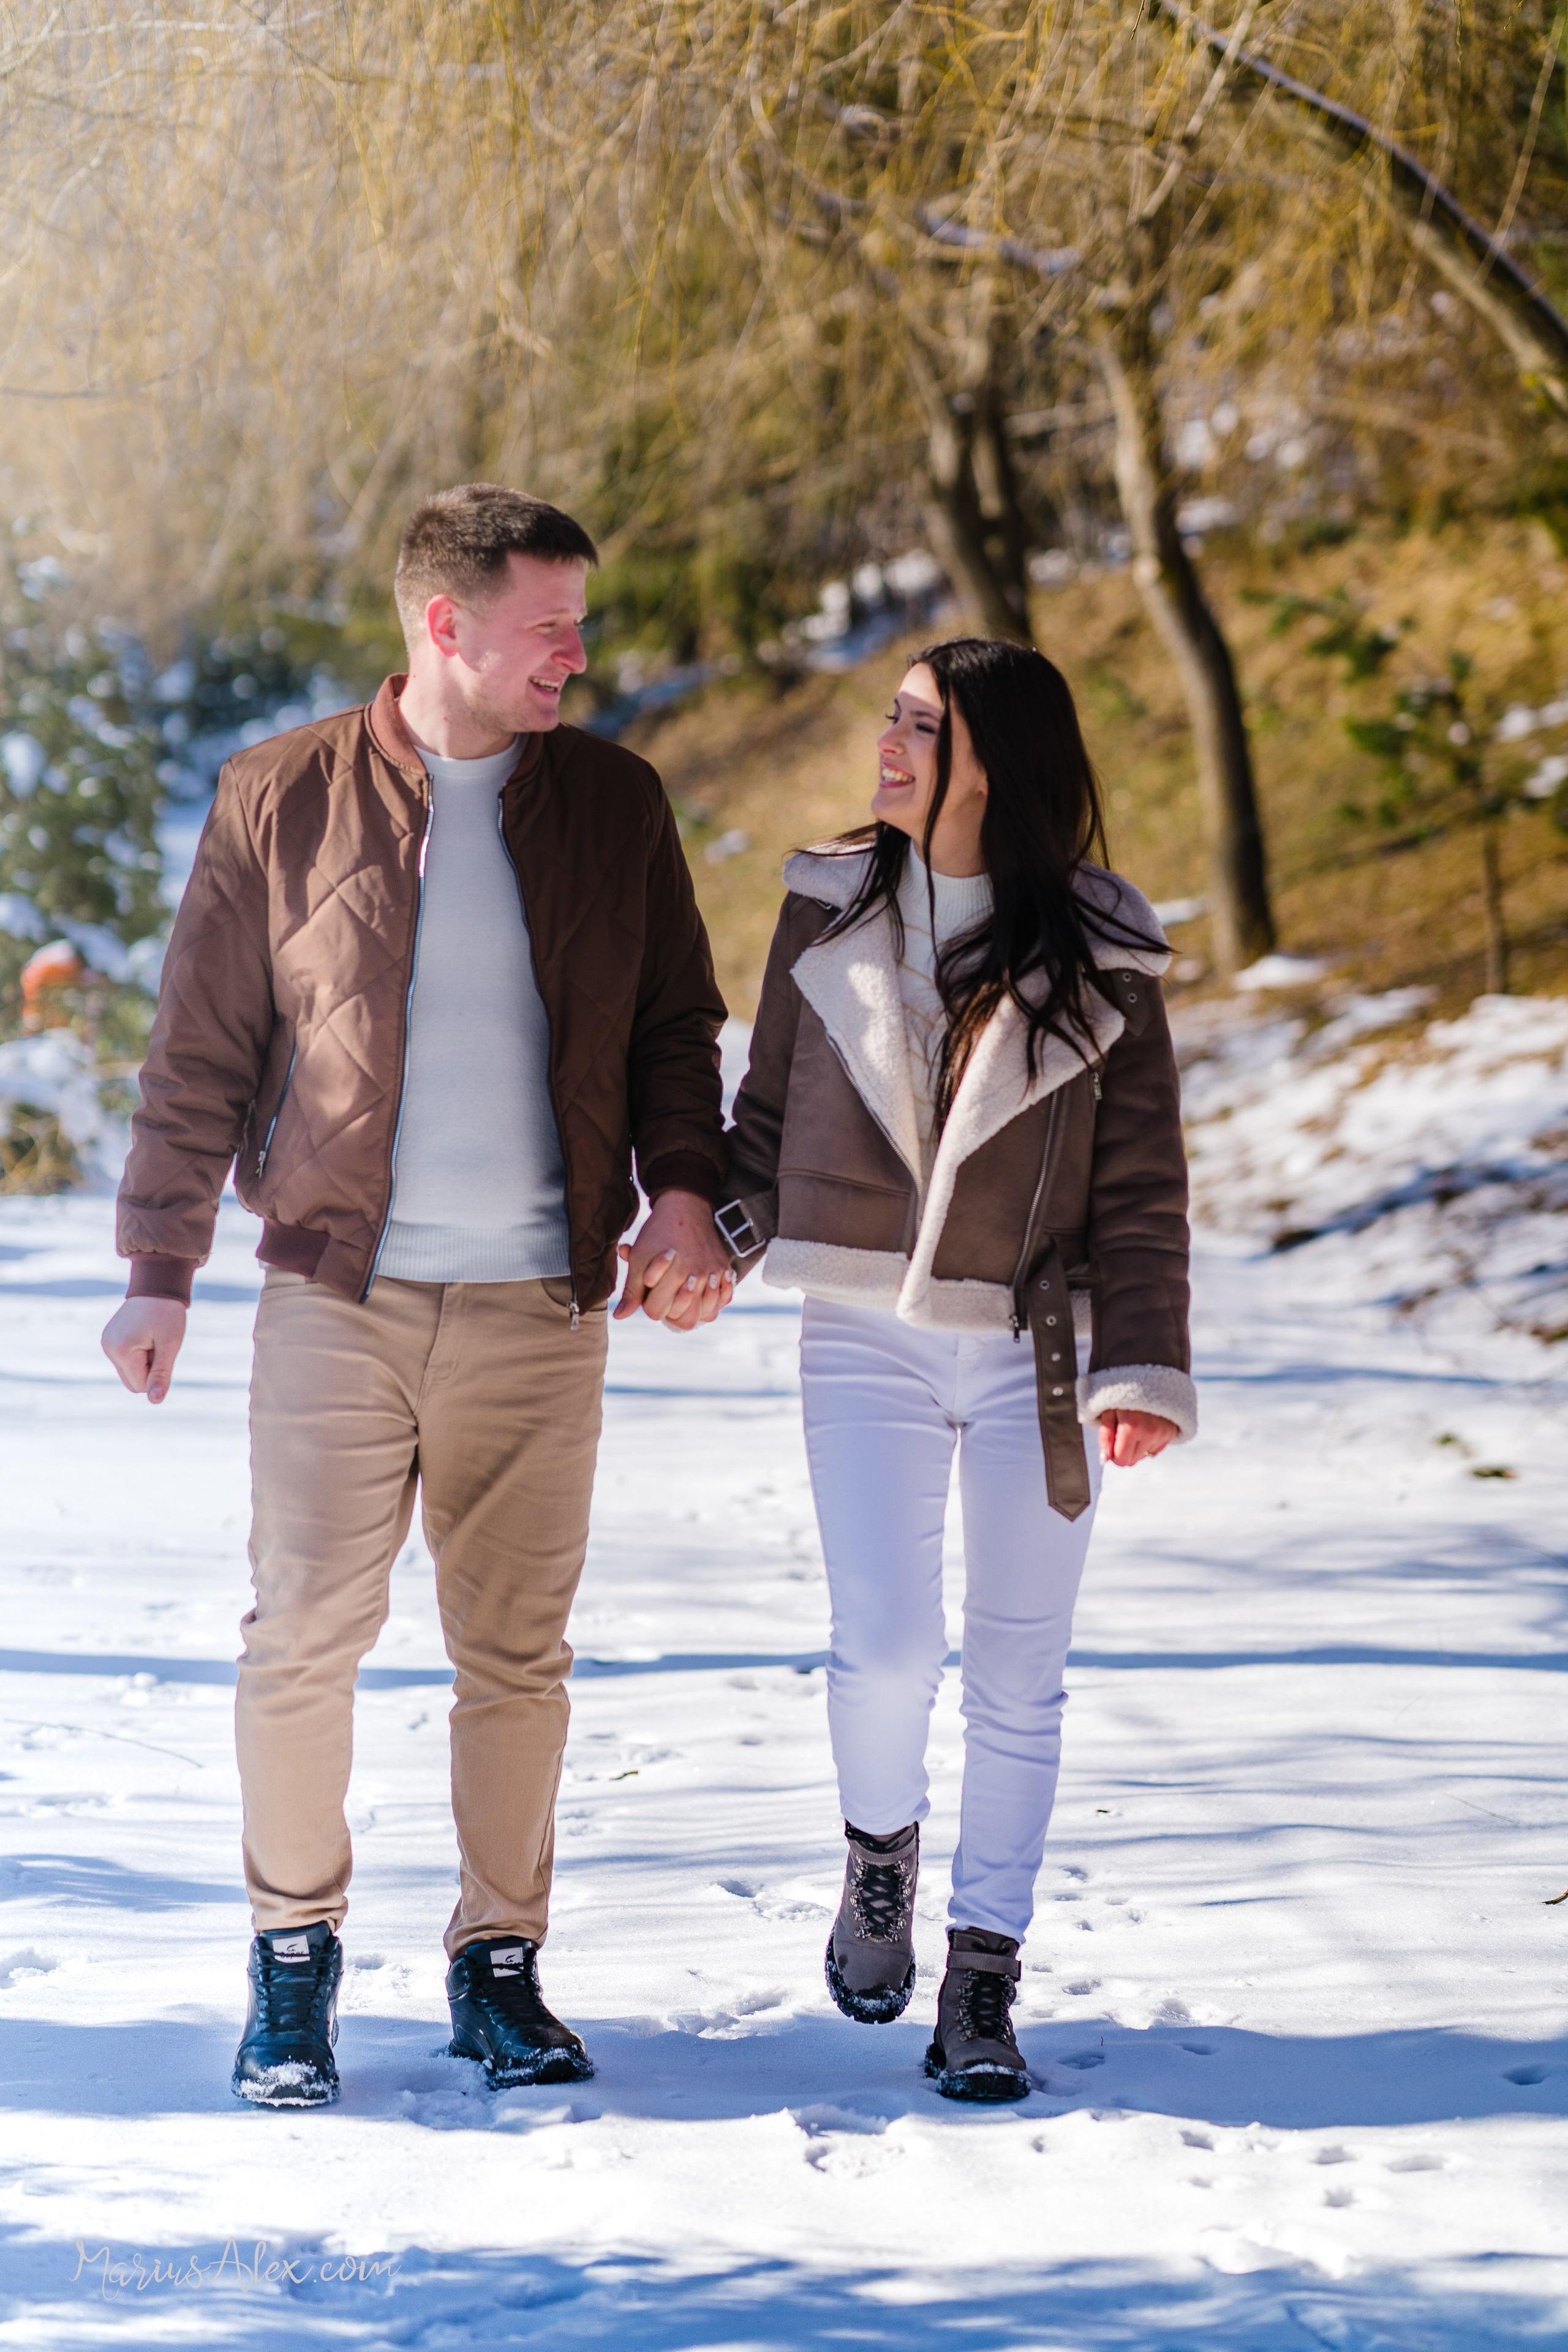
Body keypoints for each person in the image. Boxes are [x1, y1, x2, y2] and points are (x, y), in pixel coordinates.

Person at [100, 484, 734, 2108]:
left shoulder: (613, 802)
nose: (576, 655)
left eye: (578, 624)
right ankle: (291, 1959)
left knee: (517, 1656)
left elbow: (676, 1027)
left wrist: (683, 1193)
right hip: (337, 1298)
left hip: (541, 1305)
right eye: (548, 627)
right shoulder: (280, 795)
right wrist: (160, 1268)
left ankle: (497, 1964)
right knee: (301, 1637)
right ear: (446, 625)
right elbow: (197, 1050)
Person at [718, 636, 1194, 2102]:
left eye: (922, 724)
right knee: (881, 1648)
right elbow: (760, 1122)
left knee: (1017, 1673)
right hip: (860, 1331)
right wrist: (708, 1238)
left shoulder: (1103, 950)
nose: (889, 740)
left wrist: (1140, 1366)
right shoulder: (824, 901)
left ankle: (981, 1975)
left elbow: (1141, 1188)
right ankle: (880, 1855)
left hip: (1035, 1351)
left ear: (998, 756)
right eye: (893, 715)